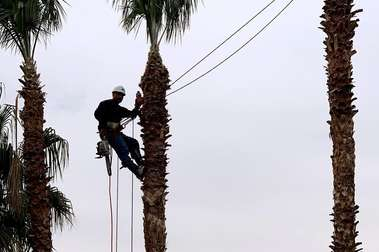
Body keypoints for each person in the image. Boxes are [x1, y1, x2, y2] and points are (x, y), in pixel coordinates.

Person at [94, 85, 144, 180]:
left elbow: (131, 115)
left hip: (116, 133)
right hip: (108, 133)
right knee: (123, 149)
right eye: (118, 94)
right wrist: (109, 126)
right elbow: (97, 115)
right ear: (113, 94)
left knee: (133, 142)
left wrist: (137, 105)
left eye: (122, 95)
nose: (120, 97)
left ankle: (141, 164)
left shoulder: (119, 109)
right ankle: (137, 170)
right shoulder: (105, 104)